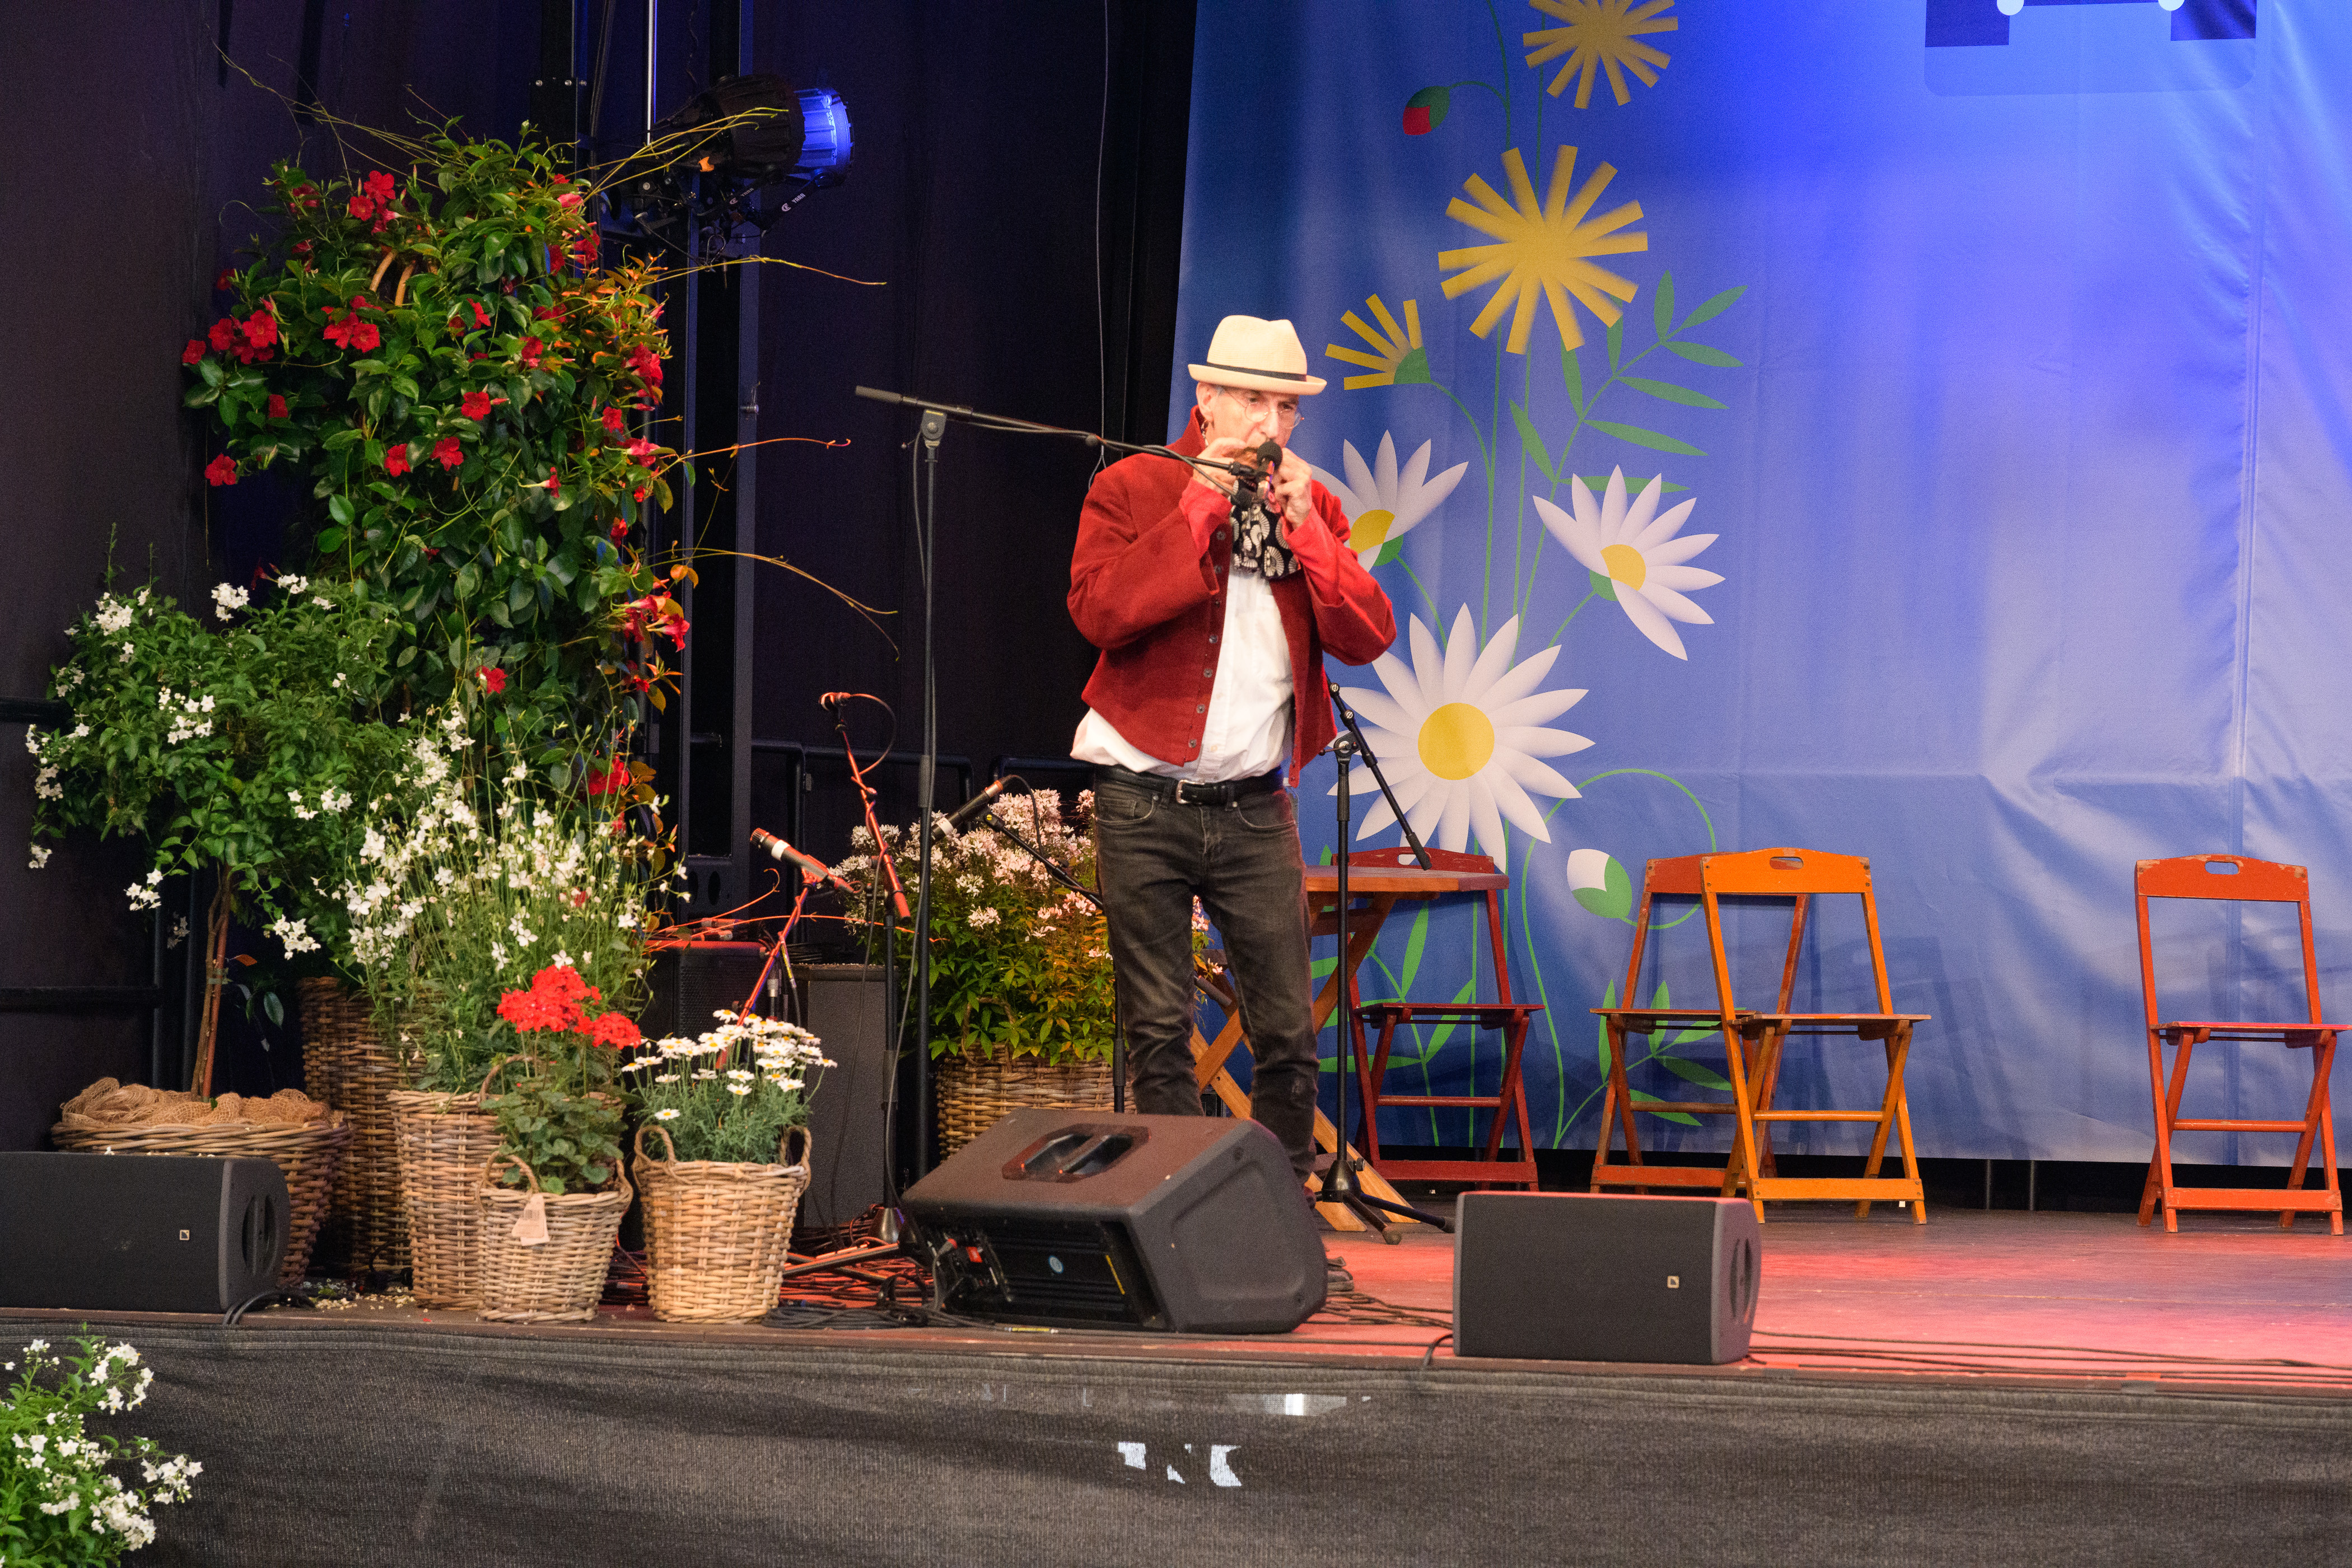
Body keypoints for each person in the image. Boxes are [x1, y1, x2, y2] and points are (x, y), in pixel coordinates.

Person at [1067, 315, 1397, 1177]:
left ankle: (1277, 1212)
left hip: (1254, 806)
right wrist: (1200, 507)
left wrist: (1311, 534)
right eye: (1253, 400)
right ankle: (1176, 1217)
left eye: (1286, 407)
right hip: (1142, 797)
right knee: (1158, 1029)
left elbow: (1369, 635)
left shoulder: (1313, 505)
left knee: (1287, 1029)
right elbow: (1100, 612)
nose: (1270, 423)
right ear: (1206, 398)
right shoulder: (1135, 484)